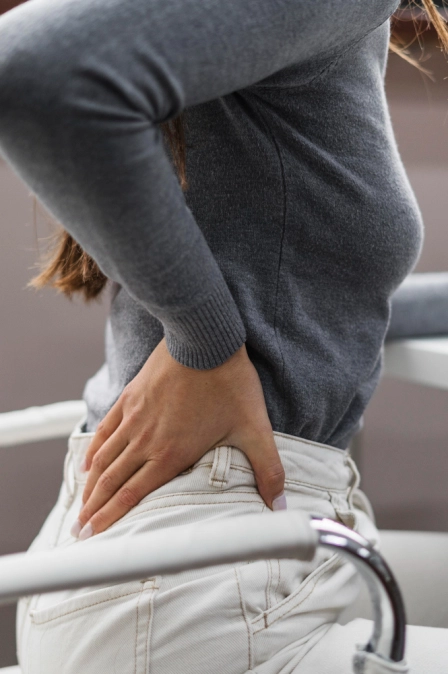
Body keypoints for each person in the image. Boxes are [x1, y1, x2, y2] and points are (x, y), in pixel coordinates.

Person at [0, 0, 447, 672]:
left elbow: (304, 296)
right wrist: (204, 341)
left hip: (154, 569)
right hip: (199, 593)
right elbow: (30, 71)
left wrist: (205, 334)